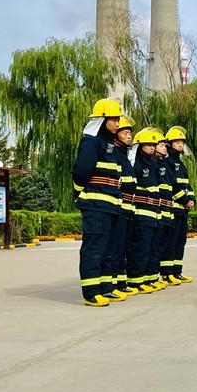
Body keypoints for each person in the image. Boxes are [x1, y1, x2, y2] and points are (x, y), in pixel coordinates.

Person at [72, 98, 127, 307]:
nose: (117, 123)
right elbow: (81, 172)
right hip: (95, 205)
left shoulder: (109, 145)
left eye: (118, 119)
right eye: (113, 119)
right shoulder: (91, 142)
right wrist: (79, 193)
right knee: (94, 249)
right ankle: (91, 292)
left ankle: (106, 288)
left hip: (111, 206)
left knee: (108, 250)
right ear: (102, 120)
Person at [127, 127, 164, 294]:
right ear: (140, 145)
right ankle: (136, 281)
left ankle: (148, 278)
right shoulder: (137, 163)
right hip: (141, 213)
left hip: (154, 213)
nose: (152, 147)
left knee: (151, 248)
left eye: (153, 145)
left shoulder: (153, 164)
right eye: (148, 144)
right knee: (140, 249)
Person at [109, 115, 139, 298]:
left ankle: (120, 282)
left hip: (128, 208)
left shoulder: (125, 156)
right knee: (116, 248)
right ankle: (112, 283)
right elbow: (122, 182)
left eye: (130, 133)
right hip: (119, 207)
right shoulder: (114, 153)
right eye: (125, 133)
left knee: (123, 248)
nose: (129, 136)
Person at [165, 126, 196, 284]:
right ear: (169, 143)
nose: (180, 145)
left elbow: (186, 185)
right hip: (173, 209)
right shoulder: (168, 161)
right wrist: (185, 200)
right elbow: (173, 185)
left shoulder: (180, 163)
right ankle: (167, 273)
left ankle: (177, 271)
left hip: (183, 211)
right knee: (170, 242)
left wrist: (192, 199)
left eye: (182, 142)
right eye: (177, 142)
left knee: (180, 242)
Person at [154, 138, 176, 287]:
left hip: (167, 210)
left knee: (166, 244)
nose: (164, 148)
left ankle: (166, 274)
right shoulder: (152, 164)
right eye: (161, 145)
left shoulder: (165, 164)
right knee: (155, 245)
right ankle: (153, 276)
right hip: (157, 210)